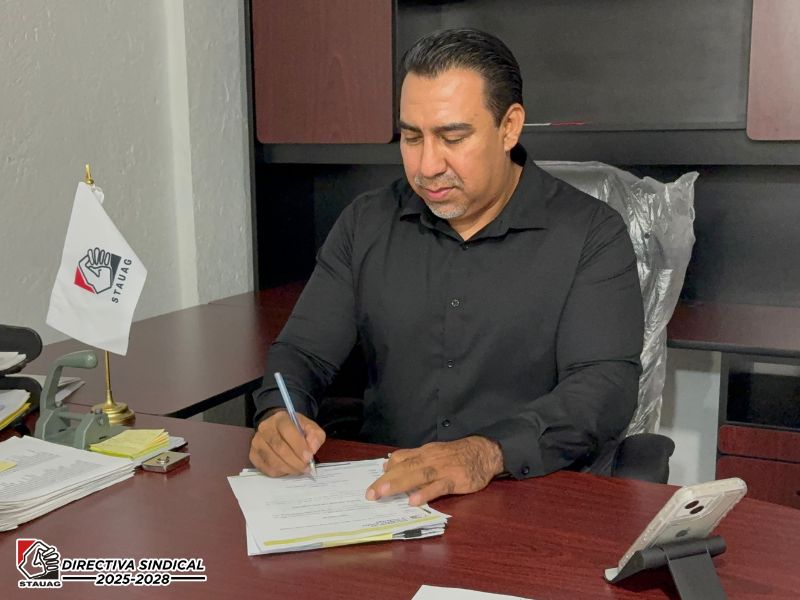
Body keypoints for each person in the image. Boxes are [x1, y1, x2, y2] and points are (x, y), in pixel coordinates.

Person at [249, 28, 644, 506]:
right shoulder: (366, 223)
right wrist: (278, 414)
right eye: (411, 137)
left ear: (509, 127)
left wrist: (486, 453)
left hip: (525, 497)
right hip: (386, 496)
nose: (427, 166)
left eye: (452, 137)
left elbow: (604, 388)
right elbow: (303, 353)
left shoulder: (590, 234)